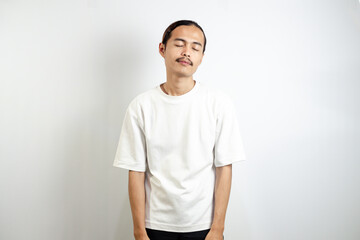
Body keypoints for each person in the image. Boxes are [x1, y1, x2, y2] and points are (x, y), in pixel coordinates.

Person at [113, 20, 246, 240]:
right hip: (155, 223)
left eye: (195, 48)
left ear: (202, 57)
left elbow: (224, 167)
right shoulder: (141, 106)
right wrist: (139, 231)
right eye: (179, 44)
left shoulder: (219, 103)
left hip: (203, 224)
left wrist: (218, 228)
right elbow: (136, 170)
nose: (187, 52)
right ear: (162, 49)